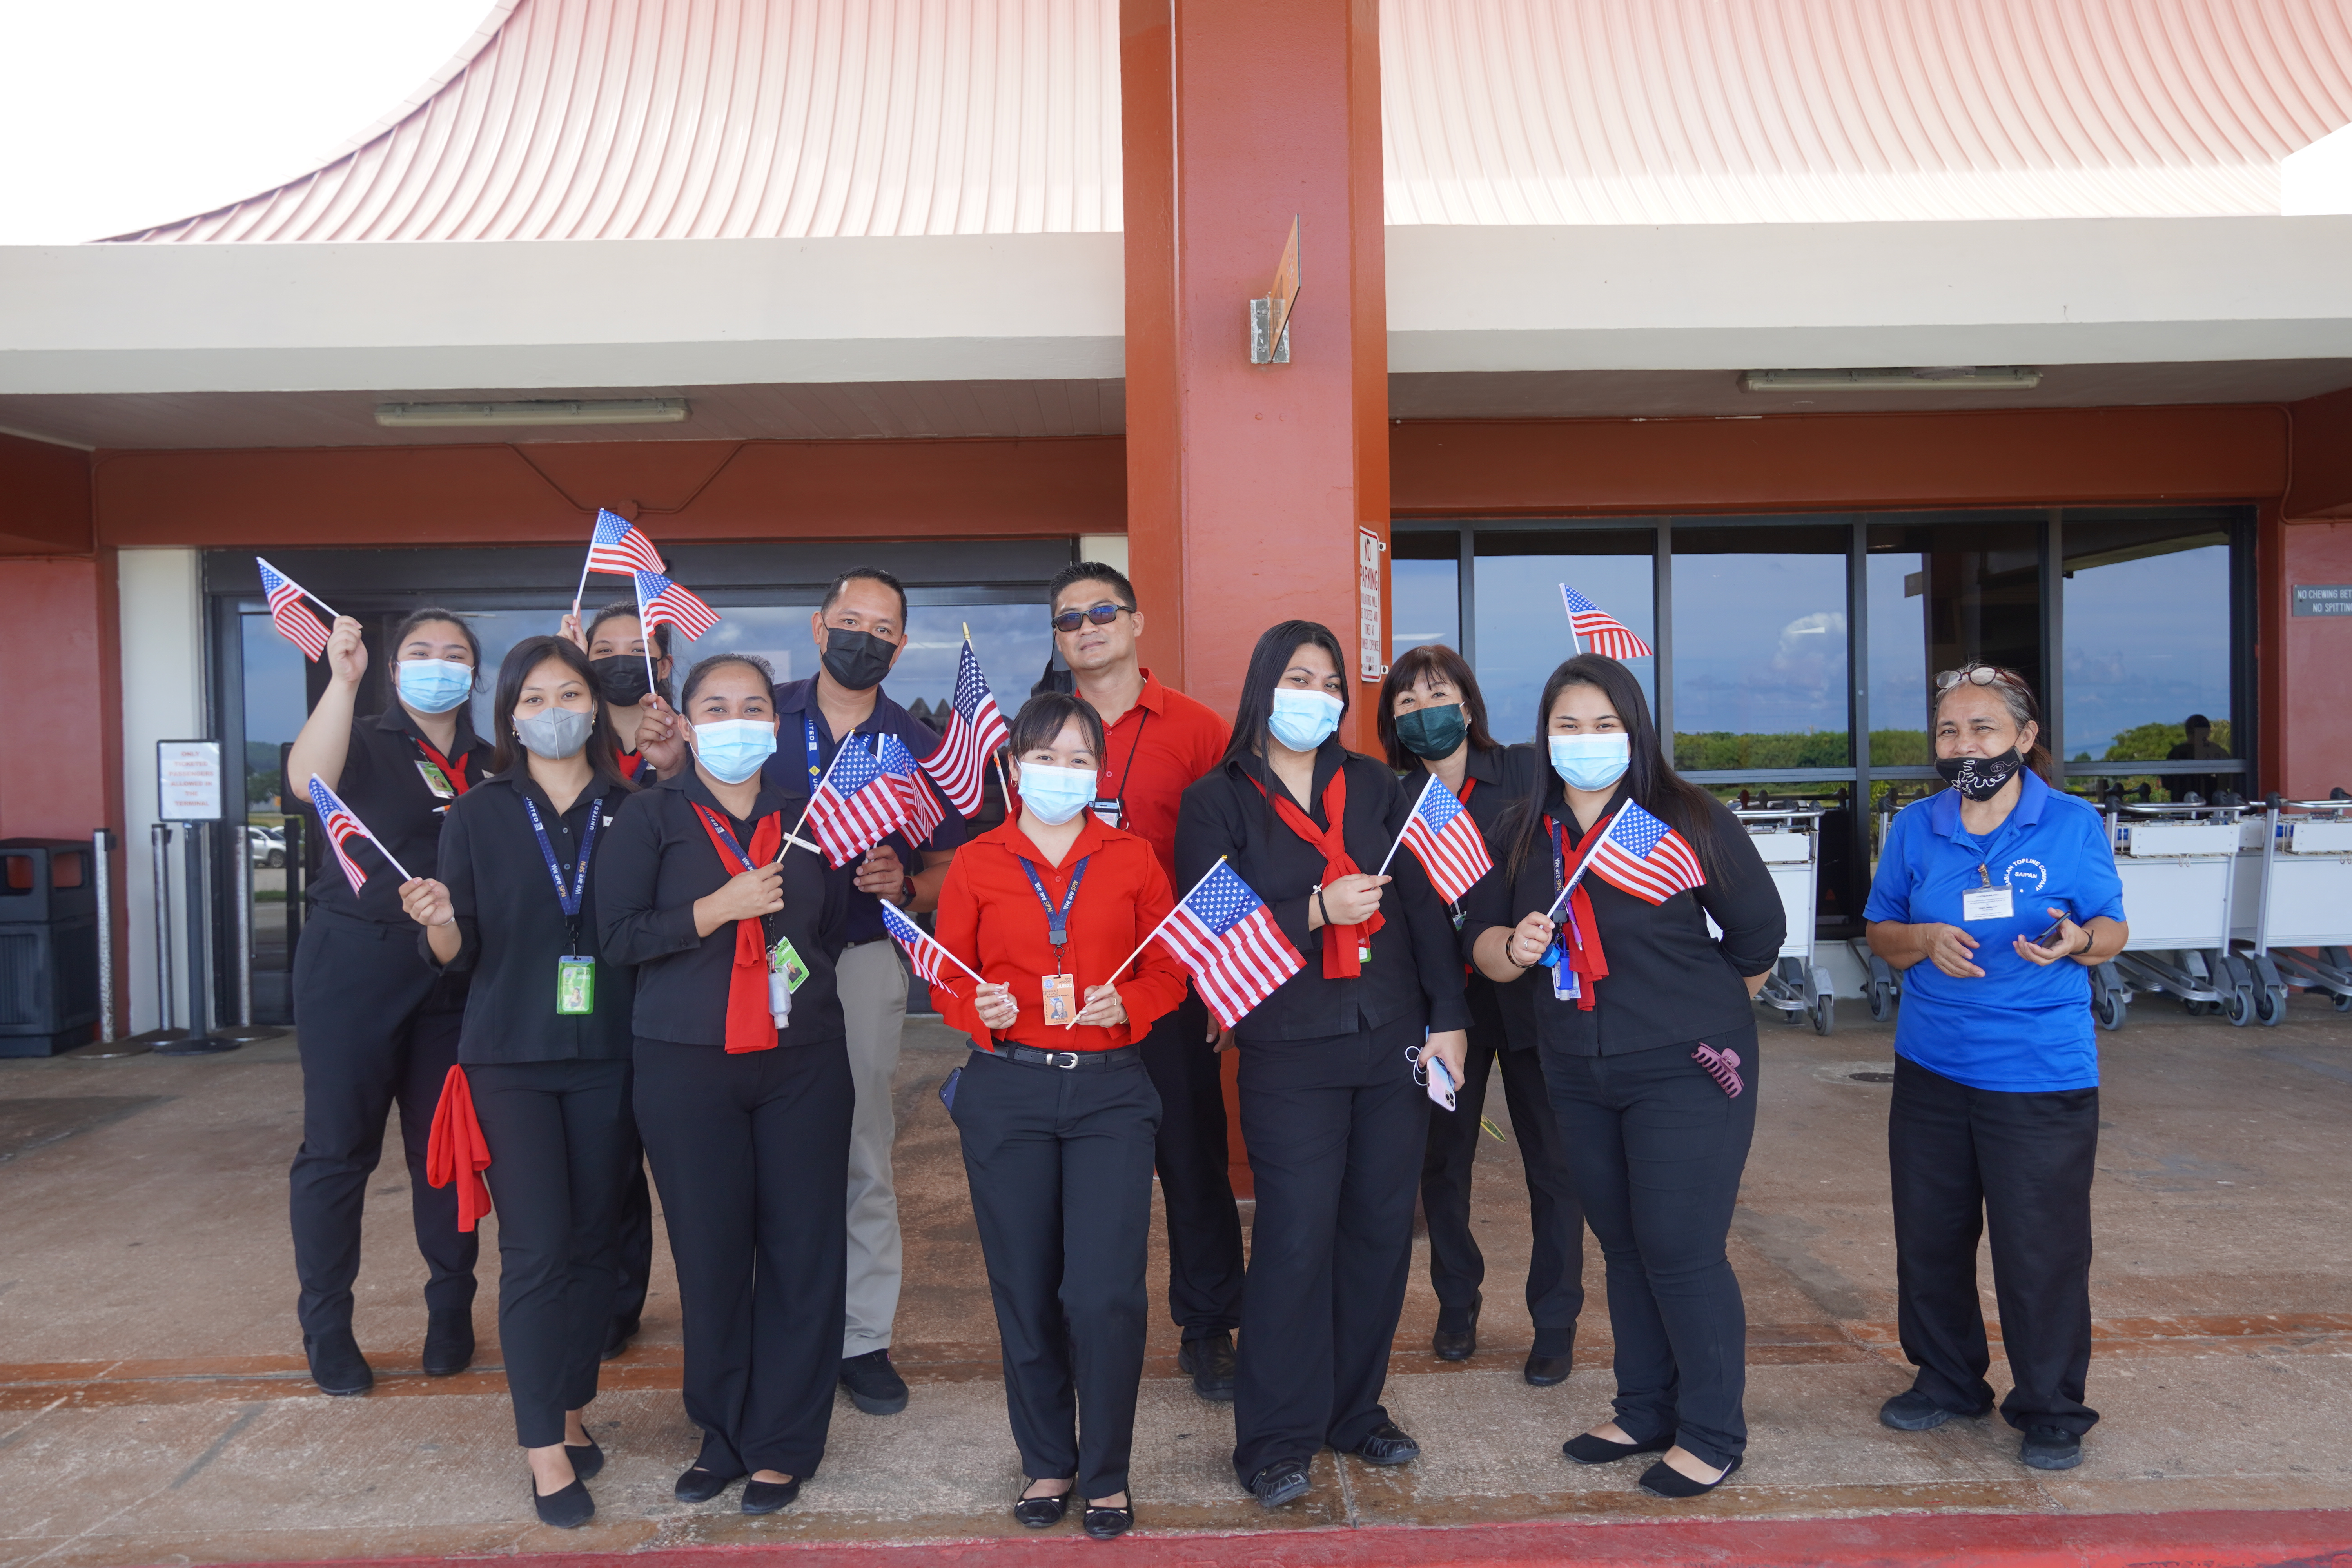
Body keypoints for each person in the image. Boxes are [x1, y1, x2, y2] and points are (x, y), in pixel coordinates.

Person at [1463, 653, 1782, 1499]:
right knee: (1626, 1246)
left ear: (1634, 730)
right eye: (1568, 725)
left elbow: (1756, 940)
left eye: (1605, 724)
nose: (1587, 741)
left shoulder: (1684, 818)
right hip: (1575, 1069)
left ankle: (1713, 1430)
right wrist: (1513, 950)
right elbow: (1485, 946)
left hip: (1686, 1068)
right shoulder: (1522, 828)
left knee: (1681, 1248)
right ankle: (1646, 1406)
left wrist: (1686, 1017)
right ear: (1545, 738)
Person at [1174, 620, 1472, 1510]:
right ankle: (1272, 1437)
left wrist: (1450, 1020)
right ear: (1265, 686)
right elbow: (1211, 926)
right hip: (1289, 1050)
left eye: (1329, 679)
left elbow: (1422, 909)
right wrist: (1313, 906)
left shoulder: (1377, 786)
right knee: (1295, 1241)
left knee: (1379, 1234)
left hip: (1392, 1037)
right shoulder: (1216, 799)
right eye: (1298, 675)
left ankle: (1353, 1408)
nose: (1316, 692)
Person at [930, 692, 1191, 1541]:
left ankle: (1107, 1469)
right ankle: (1049, 1457)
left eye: (1080, 758)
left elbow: (1172, 970)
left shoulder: (1134, 857)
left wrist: (1133, 999)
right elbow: (946, 976)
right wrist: (982, 1005)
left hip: (1111, 1088)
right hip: (1009, 1089)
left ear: (1099, 773)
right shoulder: (977, 860)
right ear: (1013, 767)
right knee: (1028, 1286)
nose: (1062, 773)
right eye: (1046, 756)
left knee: (1104, 1290)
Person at [598, 653, 853, 1514]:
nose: (737, 718)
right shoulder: (650, 817)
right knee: (711, 1256)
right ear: (688, 720)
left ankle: (784, 1440)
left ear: (774, 725)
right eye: (717, 705)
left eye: (753, 705)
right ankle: (722, 1430)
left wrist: (891, 875)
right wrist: (715, 908)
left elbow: (835, 926)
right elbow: (619, 936)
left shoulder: (814, 818)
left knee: (802, 1251)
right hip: (685, 1061)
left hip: (803, 1062)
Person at [396, 636, 638, 1528]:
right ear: (509, 715)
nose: (551, 711)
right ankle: (544, 1449)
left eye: (568, 693)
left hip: (613, 1054)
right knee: (537, 1251)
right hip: (513, 1060)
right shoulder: (480, 812)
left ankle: (572, 1408)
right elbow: (452, 955)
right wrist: (441, 920)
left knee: (591, 1247)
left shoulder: (634, 807)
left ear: (594, 706)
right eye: (532, 698)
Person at [1863, 663, 2127, 1474]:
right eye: (1949, 730)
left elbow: (2112, 925)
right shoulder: (1916, 826)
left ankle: (2050, 1406)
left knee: (2039, 1248)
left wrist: (2077, 942)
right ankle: (1947, 1378)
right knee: (1932, 1236)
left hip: (2039, 1072)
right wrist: (1925, 939)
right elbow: (1880, 927)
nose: (1964, 744)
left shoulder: (2072, 822)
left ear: (2024, 736)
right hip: (1934, 1068)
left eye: (1981, 728)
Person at [762, 566, 967, 1418]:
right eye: (851, 620)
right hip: (755, 956)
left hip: (861, 956)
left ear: (901, 645)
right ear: (818, 627)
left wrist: (911, 883)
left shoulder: (916, 747)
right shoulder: (756, 713)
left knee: (861, 1144)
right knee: (760, 1144)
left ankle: (861, 1336)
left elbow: (953, 855)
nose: (864, 636)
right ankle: (775, 1325)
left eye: (882, 628)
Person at [1044, 561, 1242, 1400]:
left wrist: (1226, 985)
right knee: (1075, 1173)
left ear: (1135, 621)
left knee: (1191, 1161)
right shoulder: (1039, 731)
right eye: (1067, 618)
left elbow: (1237, 859)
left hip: (1169, 986)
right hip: (1061, 994)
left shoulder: (1199, 729)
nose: (1086, 627)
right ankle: (1078, 1328)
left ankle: (1208, 1328)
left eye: (1100, 611)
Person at [283, 608, 490, 1396]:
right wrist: (342, 679)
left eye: (457, 654)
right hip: (354, 964)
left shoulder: (492, 757)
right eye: (422, 652)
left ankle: (451, 1306)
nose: (441, 664)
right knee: (338, 1150)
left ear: (476, 671)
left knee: (446, 1149)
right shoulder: (363, 735)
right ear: (395, 666)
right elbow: (307, 781)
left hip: (452, 967)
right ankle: (327, 1324)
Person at [1377, 644, 1585, 1385]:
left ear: (1468, 704)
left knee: (1554, 1165)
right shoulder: (1391, 797)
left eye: (1437, 695)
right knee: (1443, 1163)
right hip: (1444, 1005)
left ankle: (1555, 1320)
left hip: (1533, 997)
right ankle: (1457, 1302)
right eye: (1407, 703)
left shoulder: (1530, 771)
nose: (1424, 712)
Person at [560, 599, 686, 1357]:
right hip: (585, 973)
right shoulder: (569, 743)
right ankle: (607, 1302)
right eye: (601, 649)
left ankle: (630, 1291)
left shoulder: (674, 740)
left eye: (633, 647)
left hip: (666, 964)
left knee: (652, 1139)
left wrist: (666, 762)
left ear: (662, 663)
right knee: (600, 1149)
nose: (617, 659)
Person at [2164, 713, 2230, 804]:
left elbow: (2167, 784)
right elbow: (2229, 781)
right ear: (2209, 731)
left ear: (2187, 732)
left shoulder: (2177, 752)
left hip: (2182, 807)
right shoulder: (2218, 752)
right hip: (2214, 809)